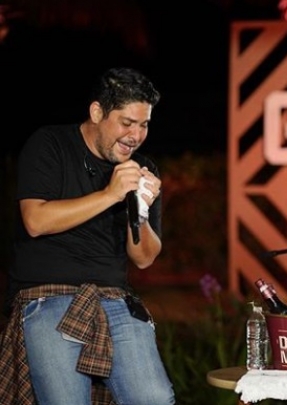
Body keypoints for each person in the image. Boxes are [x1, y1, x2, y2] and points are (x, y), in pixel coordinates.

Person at [0, 67, 175, 405]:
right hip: (46, 296)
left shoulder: (142, 168)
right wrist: (110, 195)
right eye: (127, 123)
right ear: (97, 112)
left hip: (114, 298)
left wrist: (138, 210)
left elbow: (144, 257)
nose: (136, 136)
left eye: (144, 125)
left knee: (153, 397)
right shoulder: (50, 144)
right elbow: (35, 220)